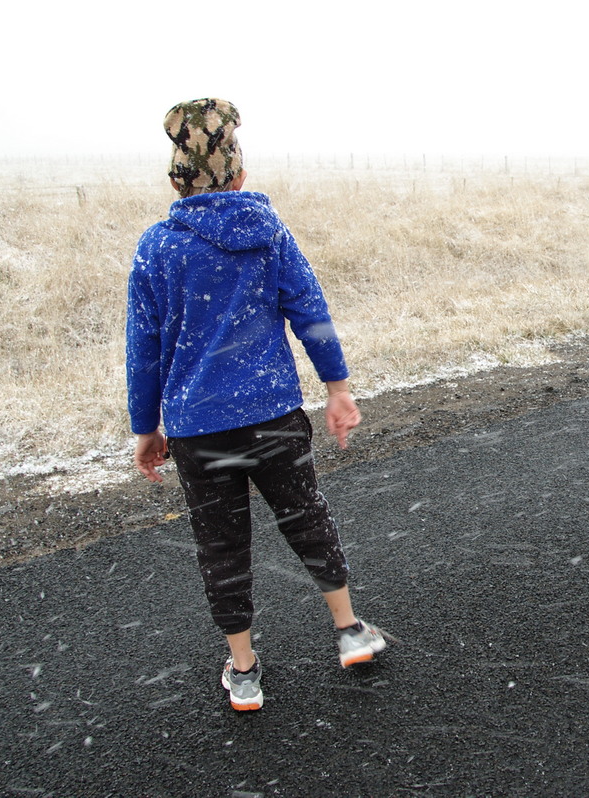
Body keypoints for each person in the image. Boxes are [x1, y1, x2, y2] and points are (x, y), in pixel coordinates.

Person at [126, 98, 388, 710]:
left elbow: (144, 346)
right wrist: (338, 387)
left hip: (199, 429)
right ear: (240, 175)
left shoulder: (158, 248)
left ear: (175, 181)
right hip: (272, 416)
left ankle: (244, 669)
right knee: (306, 518)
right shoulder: (268, 233)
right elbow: (310, 310)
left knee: (221, 545)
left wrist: (147, 426)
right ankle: (349, 632)